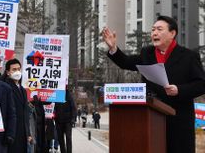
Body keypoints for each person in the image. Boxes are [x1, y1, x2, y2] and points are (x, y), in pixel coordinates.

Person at [102, 15, 205, 153]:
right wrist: (113, 48)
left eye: (159, 29)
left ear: (172, 33)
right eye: (153, 30)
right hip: (150, 119)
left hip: (178, 121)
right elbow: (126, 62)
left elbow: (201, 84)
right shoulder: (147, 53)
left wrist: (179, 90)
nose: (154, 33)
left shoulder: (188, 56)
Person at [4, 58, 32, 153]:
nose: (17, 72)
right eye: (14, 69)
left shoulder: (23, 90)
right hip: (11, 131)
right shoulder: (5, 87)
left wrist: (28, 133)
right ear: (8, 72)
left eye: (19, 69)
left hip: (22, 131)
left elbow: (25, 113)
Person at [54, 88, 77, 153]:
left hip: (68, 121)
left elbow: (73, 108)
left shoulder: (69, 95)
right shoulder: (57, 94)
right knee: (60, 139)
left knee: (68, 138)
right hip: (58, 121)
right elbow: (54, 106)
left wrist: (73, 119)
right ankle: (63, 151)